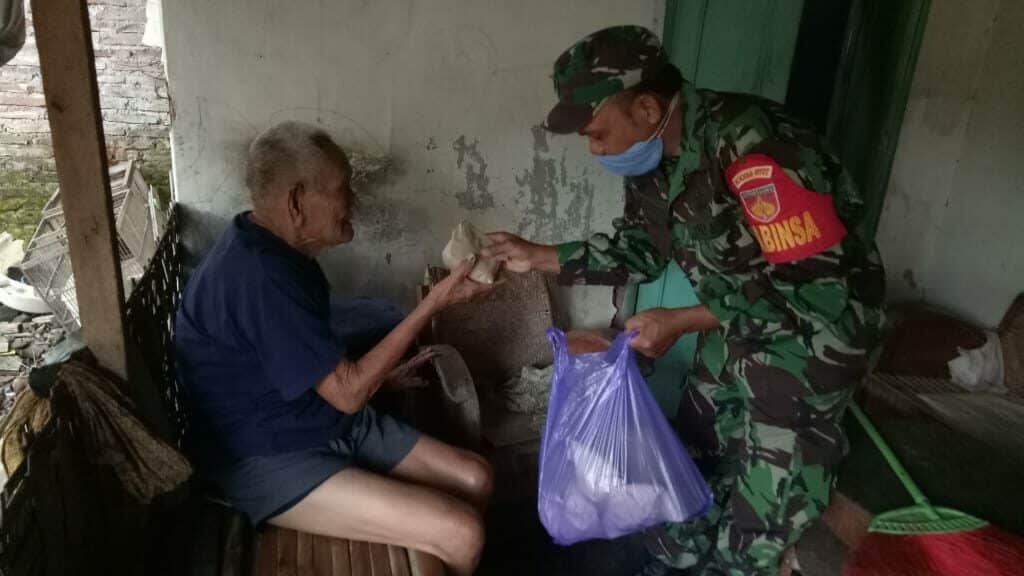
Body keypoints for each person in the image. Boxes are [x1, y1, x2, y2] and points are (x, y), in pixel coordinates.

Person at [484, 26, 885, 575]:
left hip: (808, 343)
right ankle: (678, 562)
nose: (595, 148)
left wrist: (684, 320)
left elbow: (815, 286)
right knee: (687, 459)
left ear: (647, 108)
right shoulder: (655, 161)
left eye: (598, 133)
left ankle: (739, 562)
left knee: (766, 504)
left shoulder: (755, 147)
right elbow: (643, 249)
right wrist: (542, 256)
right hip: (736, 327)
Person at [175, 121, 494, 576]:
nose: (355, 201)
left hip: (319, 419)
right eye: (344, 188)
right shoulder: (259, 275)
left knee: (476, 477)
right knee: (462, 532)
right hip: (267, 454)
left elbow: (308, 361)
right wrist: (434, 303)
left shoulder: (278, 251)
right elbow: (346, 391)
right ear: (296, 202)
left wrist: (380, 374)